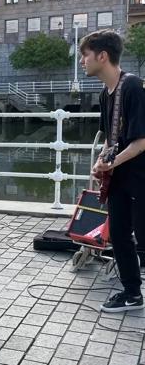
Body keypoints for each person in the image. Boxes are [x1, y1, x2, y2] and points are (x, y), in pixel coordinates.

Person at [82, 29, 145, 312]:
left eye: (85, 55)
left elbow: (141, 142)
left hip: (139, 177)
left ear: (102, 56)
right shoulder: (106, 92)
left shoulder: (132, 86)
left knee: (141, 238)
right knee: (118, 235)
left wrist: (111, 162)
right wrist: (101, 159)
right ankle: (132, 293)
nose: (83, 61)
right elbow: (111, 137)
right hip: (120, 177)